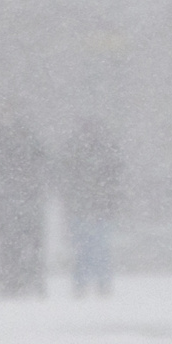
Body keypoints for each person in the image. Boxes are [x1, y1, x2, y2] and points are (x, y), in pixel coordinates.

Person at [0, 105, 51, 299]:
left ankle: (20, 282)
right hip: (11, 201)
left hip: (17, 200)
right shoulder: (12, 139)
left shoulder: (0, 140)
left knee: (20, 244)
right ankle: (18, 282)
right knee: (14, 244)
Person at [60, 119, 124, 297]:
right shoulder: (106, 152)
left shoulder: (75, 152)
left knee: (89, 248)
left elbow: (69, 182)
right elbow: (114, 181)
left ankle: (88, 284)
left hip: (91, 208)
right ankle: (95, 284)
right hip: (94, 208)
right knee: (94, 248)